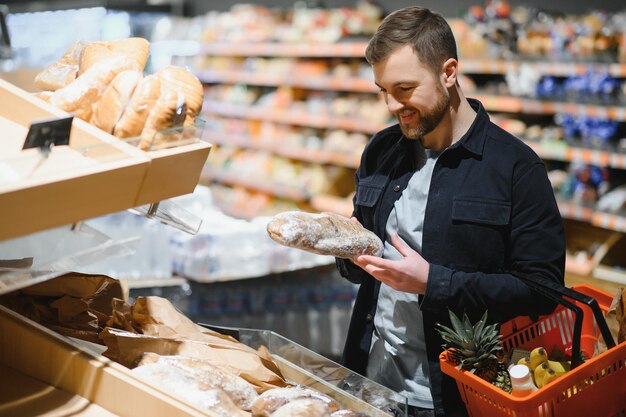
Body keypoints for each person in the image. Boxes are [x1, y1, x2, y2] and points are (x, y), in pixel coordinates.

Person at [335, 6, 565, 417]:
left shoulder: (515, 168)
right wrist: (345, 249)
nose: (391, 105)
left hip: (456, 396)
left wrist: (433, 283)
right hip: (371, 380)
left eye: (404, 89)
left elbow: (542, 289)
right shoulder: (381, 151)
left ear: (449, 72)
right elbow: (361, 267)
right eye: (382, 90)